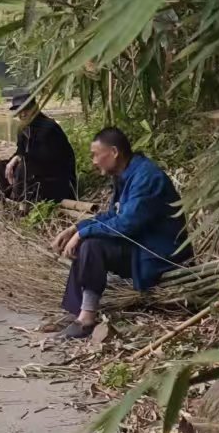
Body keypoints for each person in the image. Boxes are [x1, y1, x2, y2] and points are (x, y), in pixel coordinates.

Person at [52, 127, 190, 340]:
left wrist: (83, 234)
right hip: (140, 246)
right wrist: (76, 229)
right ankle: (76, 311)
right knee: (86, 239)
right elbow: (113, 215)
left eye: (96, 154)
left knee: (92, 245)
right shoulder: (126, 175)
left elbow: (126, 224)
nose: (93, 161)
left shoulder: (146, 177)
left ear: (114, 152)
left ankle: (86, 319)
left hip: (158, 254)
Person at [0, 96, 77, 204]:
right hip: (32, 171)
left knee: (24, 166)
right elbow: (21, 151)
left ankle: (20, 202)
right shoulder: (23, 128)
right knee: (0, 166)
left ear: (35, 108)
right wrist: (14, 159)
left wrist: (22, 159)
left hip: (55, 178)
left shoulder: (49, 128)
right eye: (19, 110)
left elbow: (49, 157)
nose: (23, 114)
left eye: (26, 109)